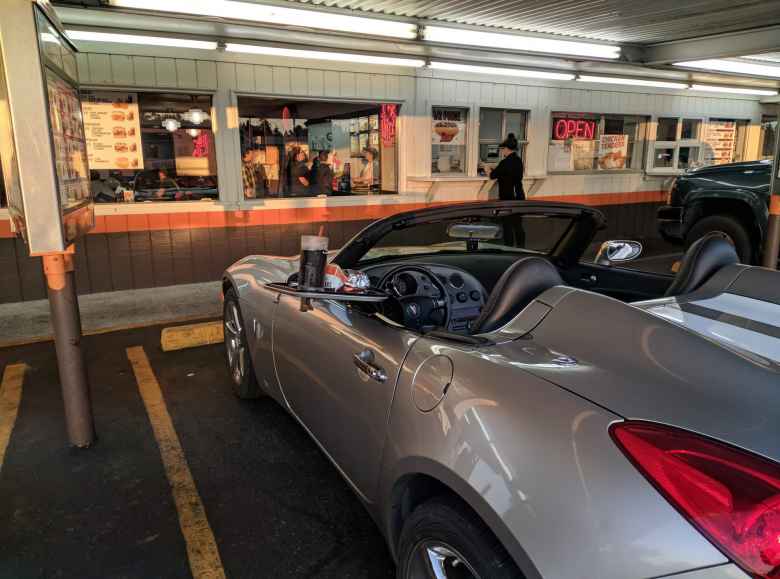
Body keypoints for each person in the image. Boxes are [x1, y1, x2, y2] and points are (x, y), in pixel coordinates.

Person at [489, 133, 525, 201]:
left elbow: (492, 175)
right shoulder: (519, 160)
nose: (502, 151)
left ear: (506, 148)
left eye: (502, 149)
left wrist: (486, 167)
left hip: (507, 199)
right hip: (520, 196)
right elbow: (509, 171)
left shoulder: (504, 163)